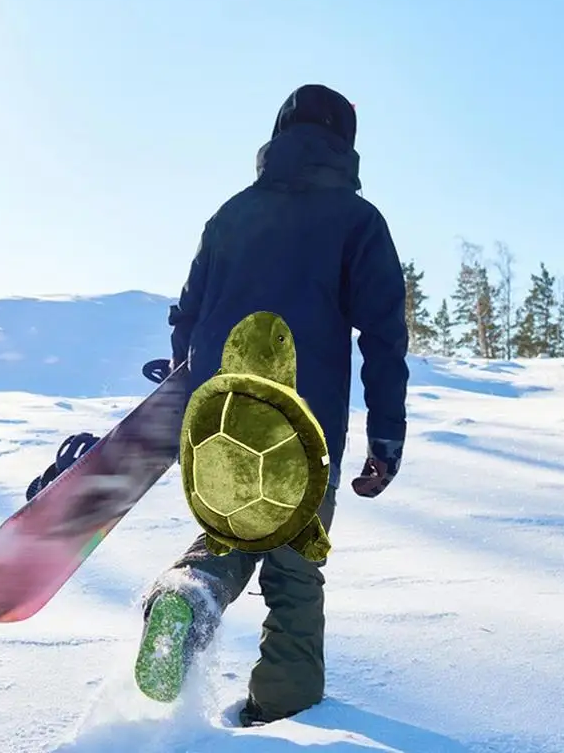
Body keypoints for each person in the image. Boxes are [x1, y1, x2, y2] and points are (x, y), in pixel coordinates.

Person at [135, 84, 409, 726]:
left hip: (216, 422)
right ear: (346, 143)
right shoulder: (357, 220)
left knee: (229, 534)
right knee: (294, 566)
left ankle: (189, 593)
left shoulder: (231, 215)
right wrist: (386, 440)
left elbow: (189, 314)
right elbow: (385, 339)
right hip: (303, 433)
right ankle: (285, 713)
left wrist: (189, 387)